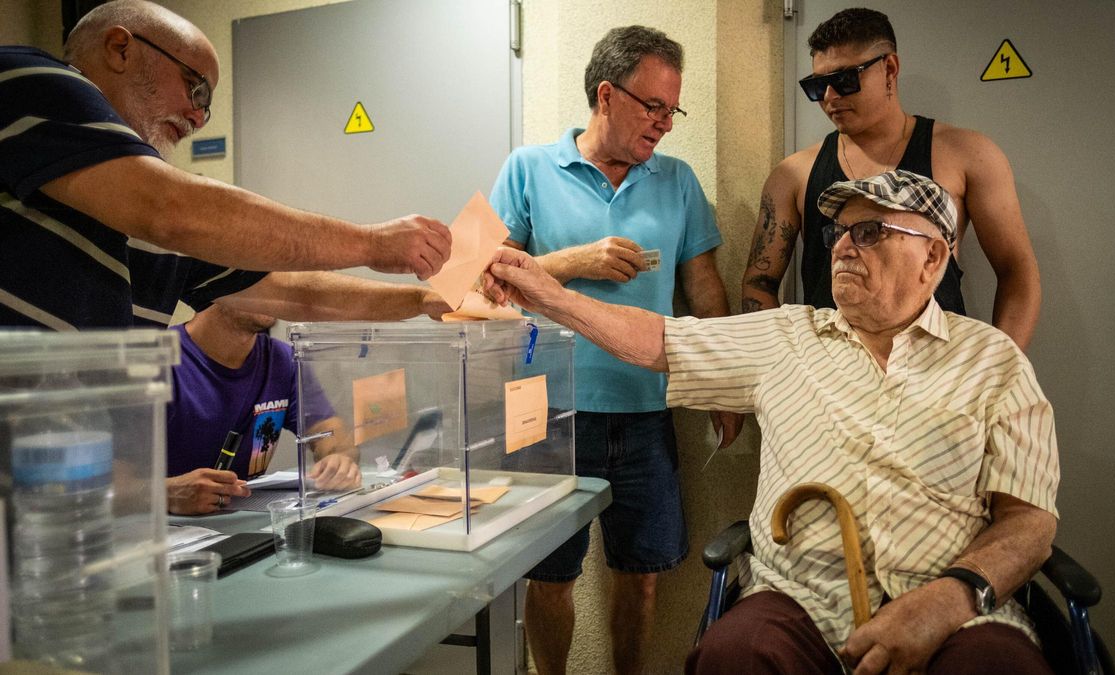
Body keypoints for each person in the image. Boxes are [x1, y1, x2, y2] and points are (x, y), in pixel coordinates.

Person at [485, 170, 1060, 675]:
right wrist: (548, 294)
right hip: (801, 600)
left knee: (999, 667)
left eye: (869, 232)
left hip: (956, 607)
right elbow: (657, 340)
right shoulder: (788, 335)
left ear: (933, 257)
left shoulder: (993, 361)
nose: (841, 249)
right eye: (838, 234)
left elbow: (1030, 521)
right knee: (735, 656)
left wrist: (951, 598)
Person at [487, 25, 741, 675]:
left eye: (672, 110)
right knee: (548, 577)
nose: (665, 124)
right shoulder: (526, 168)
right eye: (653, 107)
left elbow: (704, 290)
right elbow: (473, 279)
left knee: (644, 574)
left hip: (645, 408)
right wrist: (576, 261)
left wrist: (728, 384)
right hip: (545, 412)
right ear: (607, 95)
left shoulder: (678, 181)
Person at [0, 0, 451, 330]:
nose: (198, 118)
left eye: (207, 108)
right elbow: (170, 207)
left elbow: (294, 293)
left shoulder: (144, 219)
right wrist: (372, 243)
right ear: (120, 48)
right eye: (196, 89)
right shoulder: (30, 81)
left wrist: (427, 300)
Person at [740, 7, 1041, 351]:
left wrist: (996, 370)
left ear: (890, 69)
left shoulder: (967, 155)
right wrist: (783, 367)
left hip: (937, 376)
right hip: (832, 380)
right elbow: (759, 283)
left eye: (844, 80)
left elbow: (1017, 272)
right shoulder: (793, 174)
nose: (829, 98)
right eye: (817, 85)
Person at [165, 294, 444, 515]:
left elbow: (334, 440)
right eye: (252, 276)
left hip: (248, 527)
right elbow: (122, 485)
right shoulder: (160, 359)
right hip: (169, 539)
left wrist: (340, 461)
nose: (269, 290)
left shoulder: (282, 359)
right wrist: (166, 494)